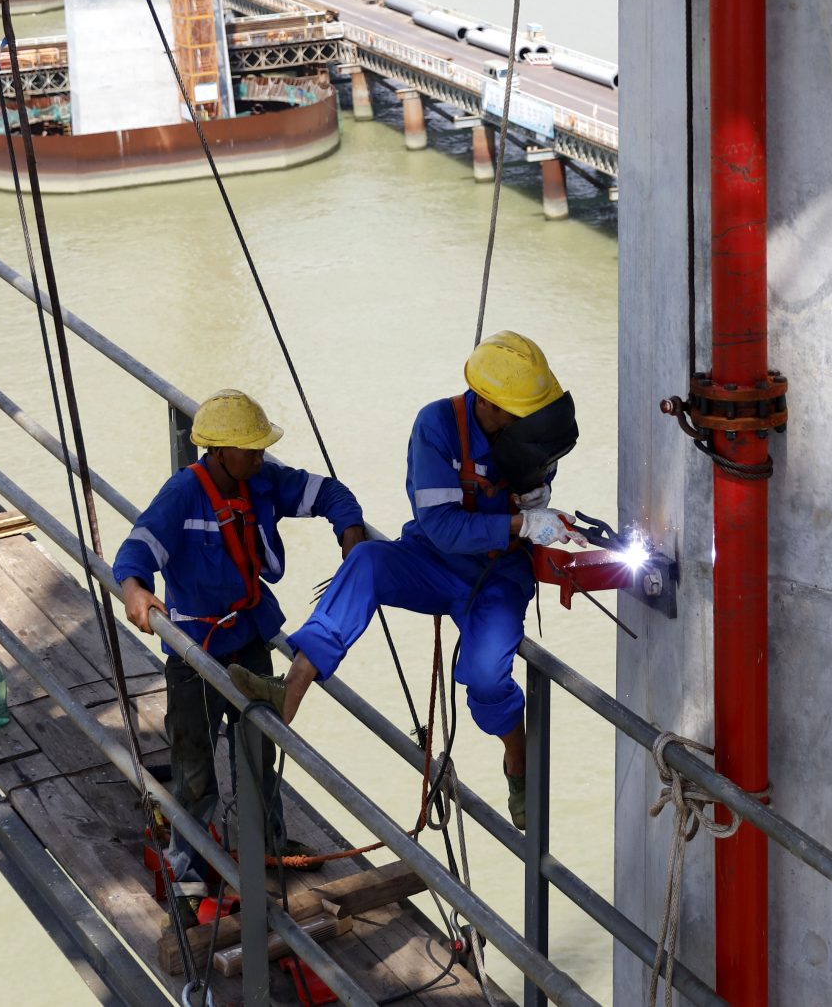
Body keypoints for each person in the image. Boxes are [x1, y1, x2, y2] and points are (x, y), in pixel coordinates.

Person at [275, 331, 579, 826]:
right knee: (368, 562)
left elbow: (534, 492)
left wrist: (533, 504)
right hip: (434, 557)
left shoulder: (529, 436)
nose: (523, 422)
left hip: (499, 574)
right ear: (488, 402)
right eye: (515, 413)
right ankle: (293, 682)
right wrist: (520, 523)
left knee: (485, 678)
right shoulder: (437, 426)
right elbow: (442, 526)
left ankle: (516, 757)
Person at [111, 388, 367, 891]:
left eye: (260, 447)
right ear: (219, 452)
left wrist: (351, 535)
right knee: (194, 769)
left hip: (249, 636)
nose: (260, 454)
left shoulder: (264, 482)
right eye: (250, 448)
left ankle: (269, 845)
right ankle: (188, 872)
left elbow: (331, 493)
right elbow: (137, 549)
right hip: (196, 651)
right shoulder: (183, 495)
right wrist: (135, 590)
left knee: (260, 751)